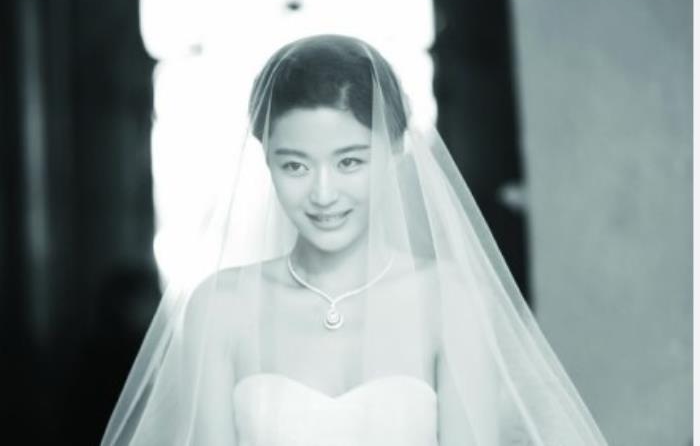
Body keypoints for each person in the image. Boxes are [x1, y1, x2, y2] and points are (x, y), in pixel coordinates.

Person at [101, 34, 608, 445]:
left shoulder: (451, 301)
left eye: (349, 162)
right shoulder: (218, 308)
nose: (323, 194)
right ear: (265, 159)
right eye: (295, 166)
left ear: (395, 151)